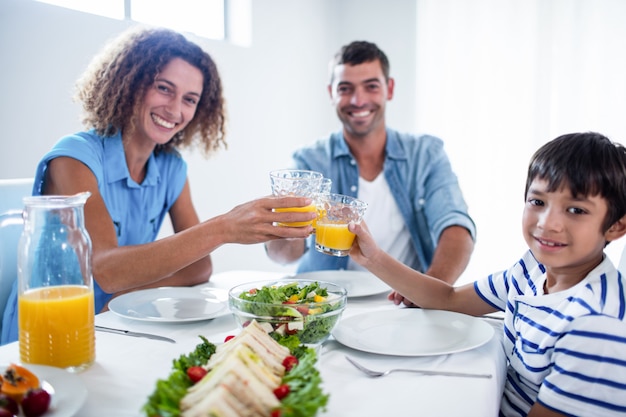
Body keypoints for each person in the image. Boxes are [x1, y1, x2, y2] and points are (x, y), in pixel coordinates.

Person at [0, 27, 315, 344]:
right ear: (131, 83)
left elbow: (200, 267)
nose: (176, 110)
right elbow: (106, 270)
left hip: (115, 321)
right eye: (164, 89)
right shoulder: (74, 158)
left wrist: (131, 289)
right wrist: (224, 228)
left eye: (189, 99)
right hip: (44, 332)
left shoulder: (171, 168)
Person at [349, 132, 626, 417]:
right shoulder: (533, 268)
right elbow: (449, 298)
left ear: (616, 226)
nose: (548, 224)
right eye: (538, 202)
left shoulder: (595, 326)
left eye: (576, 210)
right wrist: (374, 258)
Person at [265, 40, 476, 304]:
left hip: (402, 303)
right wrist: (286, 227)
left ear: (389, 89)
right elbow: (283, 256)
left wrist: (430, 291)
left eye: (371, 86)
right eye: (345, 88)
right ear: (331, 93)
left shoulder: (426, 154)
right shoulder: (309, 160)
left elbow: (455, 227)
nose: (358, 100)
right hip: (323, 303)